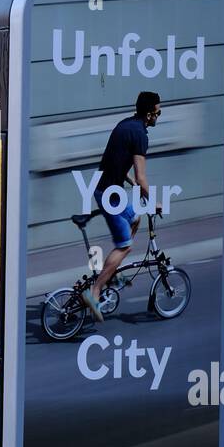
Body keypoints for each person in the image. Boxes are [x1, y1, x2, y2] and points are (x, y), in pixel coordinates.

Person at [83, 91, 161, 321]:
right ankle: (94, 291)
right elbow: (143, 176)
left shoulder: (126, 125)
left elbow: (115, 160)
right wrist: (154, 200)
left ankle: (112, 271)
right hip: (108, 195)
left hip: (107, 188)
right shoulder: (140, 136)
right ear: (149, 114)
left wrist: (130, 182)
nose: (159, 115)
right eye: (158, 111)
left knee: (135, 218)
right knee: (125, 245)